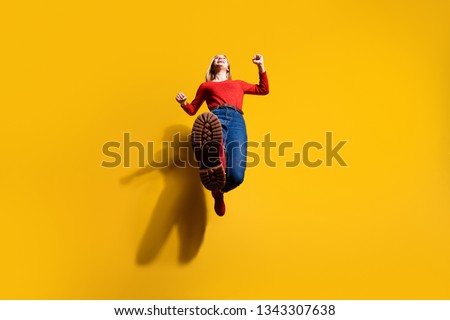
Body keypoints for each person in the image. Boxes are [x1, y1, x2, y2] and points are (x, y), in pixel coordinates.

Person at [175, 54, 269, 216]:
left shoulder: (238, 84)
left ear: (228, 67)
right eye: (216, 58)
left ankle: (218, 192)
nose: (220, 59)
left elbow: (263, 90)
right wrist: (183, 103)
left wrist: (260, 66)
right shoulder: (206, 86)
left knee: (236, 176)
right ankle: (209, 148)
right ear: (212, 66)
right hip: (215, 118)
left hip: (237, 120)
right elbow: (192, 110)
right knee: (214, 142)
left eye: (224, 58)